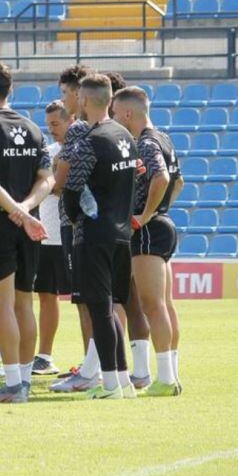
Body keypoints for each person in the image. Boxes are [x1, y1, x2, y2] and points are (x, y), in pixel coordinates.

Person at [0, 62, 53, 403]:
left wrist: (16, 212)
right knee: (24, 304)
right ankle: (26, 382)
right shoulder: (33, 128)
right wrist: (28, 209)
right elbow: (47, 178)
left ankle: (14, 384)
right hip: (29, 225)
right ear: (10, 89)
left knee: (2, 306)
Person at [63, 74, 139, 399]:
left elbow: (71, 191)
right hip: (122, 233)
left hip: (95, 235)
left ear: (83, 99)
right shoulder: (125, 135)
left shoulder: (90, 142)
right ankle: (122, 380)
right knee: (113, 307)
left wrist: (76, 218)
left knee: (100, 310)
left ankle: (109, 384)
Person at [112, 86, 184, 396]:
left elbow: (163, 178)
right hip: (164, 225)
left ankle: (166, 379)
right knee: (164, 305)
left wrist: (144, 215)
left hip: (149, 231)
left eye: (115, 114)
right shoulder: (164, 138)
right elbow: (177, 181)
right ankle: (170, 374)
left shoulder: (146, 142)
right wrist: (162, 209)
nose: (114, 120)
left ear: (128, 113)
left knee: (152, 306)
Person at [51, 65, 104, 393]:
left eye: (65, 93)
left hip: (83, 223)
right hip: (107, 223)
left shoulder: (80, 131)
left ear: (78, 94)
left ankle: (93, 369)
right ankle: (99, 366)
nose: (63, 99)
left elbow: (62, 182)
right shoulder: (110, 130)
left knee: (88, 299)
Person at [33, 101, 74, 376]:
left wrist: (55, 185)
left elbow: (63, 188)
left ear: (70, 120)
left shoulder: (80, 151)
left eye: (56, 125)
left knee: (85, 300)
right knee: (46, 297)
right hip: (46, 236)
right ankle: (44, 356)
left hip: (71, 236)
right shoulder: (48, 153)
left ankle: (93, 360)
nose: (51, 131)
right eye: (48, 126)